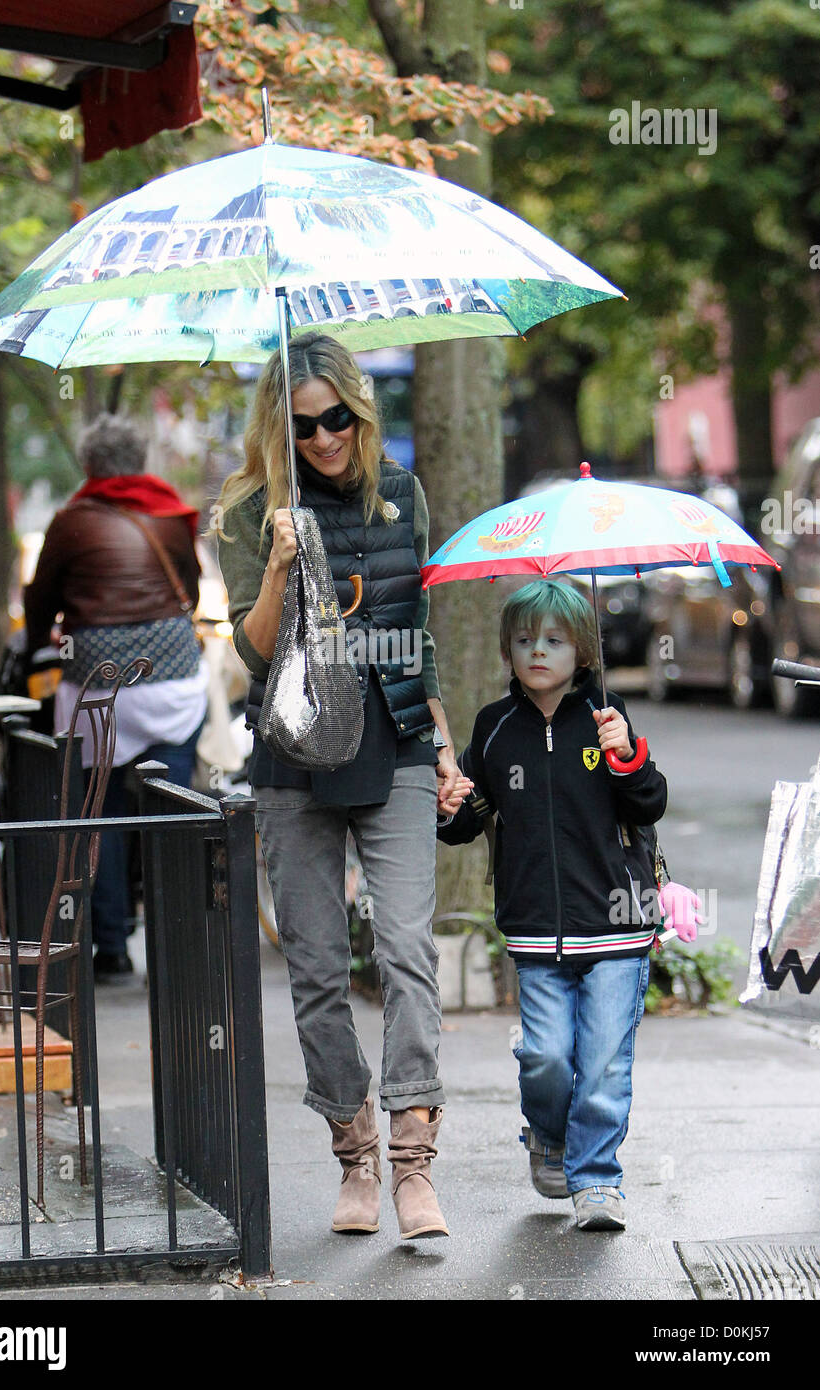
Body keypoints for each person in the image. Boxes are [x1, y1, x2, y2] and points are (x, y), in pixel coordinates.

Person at [217, 331, 459, 1241]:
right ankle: (352, 1151)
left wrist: (441, 744)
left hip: (392, 743)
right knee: (317, 968)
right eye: (307, 425)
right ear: (280, 430)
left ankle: (410, 1157)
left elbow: (419, 630)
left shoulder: (399, 496)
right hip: (292, 755)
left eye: (339, 420)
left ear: (361, 413)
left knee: (403, 948)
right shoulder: (250, 509)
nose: (325, 440)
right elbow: (250, 649)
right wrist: (280, 563)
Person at [437, 579, 670, 1231]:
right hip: (536, 931)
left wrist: (625, 756)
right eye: (522, 640)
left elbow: (648, 803)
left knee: (601, 1062)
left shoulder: (605, 714)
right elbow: (467, 821)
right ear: (505, 650)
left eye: (554, 640)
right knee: (544, 1056)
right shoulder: (495, 728)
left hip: (616, 925)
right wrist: (451, 803)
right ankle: (547, 1134)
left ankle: (596, 1181)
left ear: (583, 650)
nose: (536, 651)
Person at [24, 413, 208, 978]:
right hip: (173, 680)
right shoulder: (172, 515)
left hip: (98, 687)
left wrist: (39, 647)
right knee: (174, 808)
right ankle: (179, 944)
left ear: (88, 465)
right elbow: (192, 591)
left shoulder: (69, 523)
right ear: (141, 460)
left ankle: (110, 949)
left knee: (99, 812)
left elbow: (40, 602)